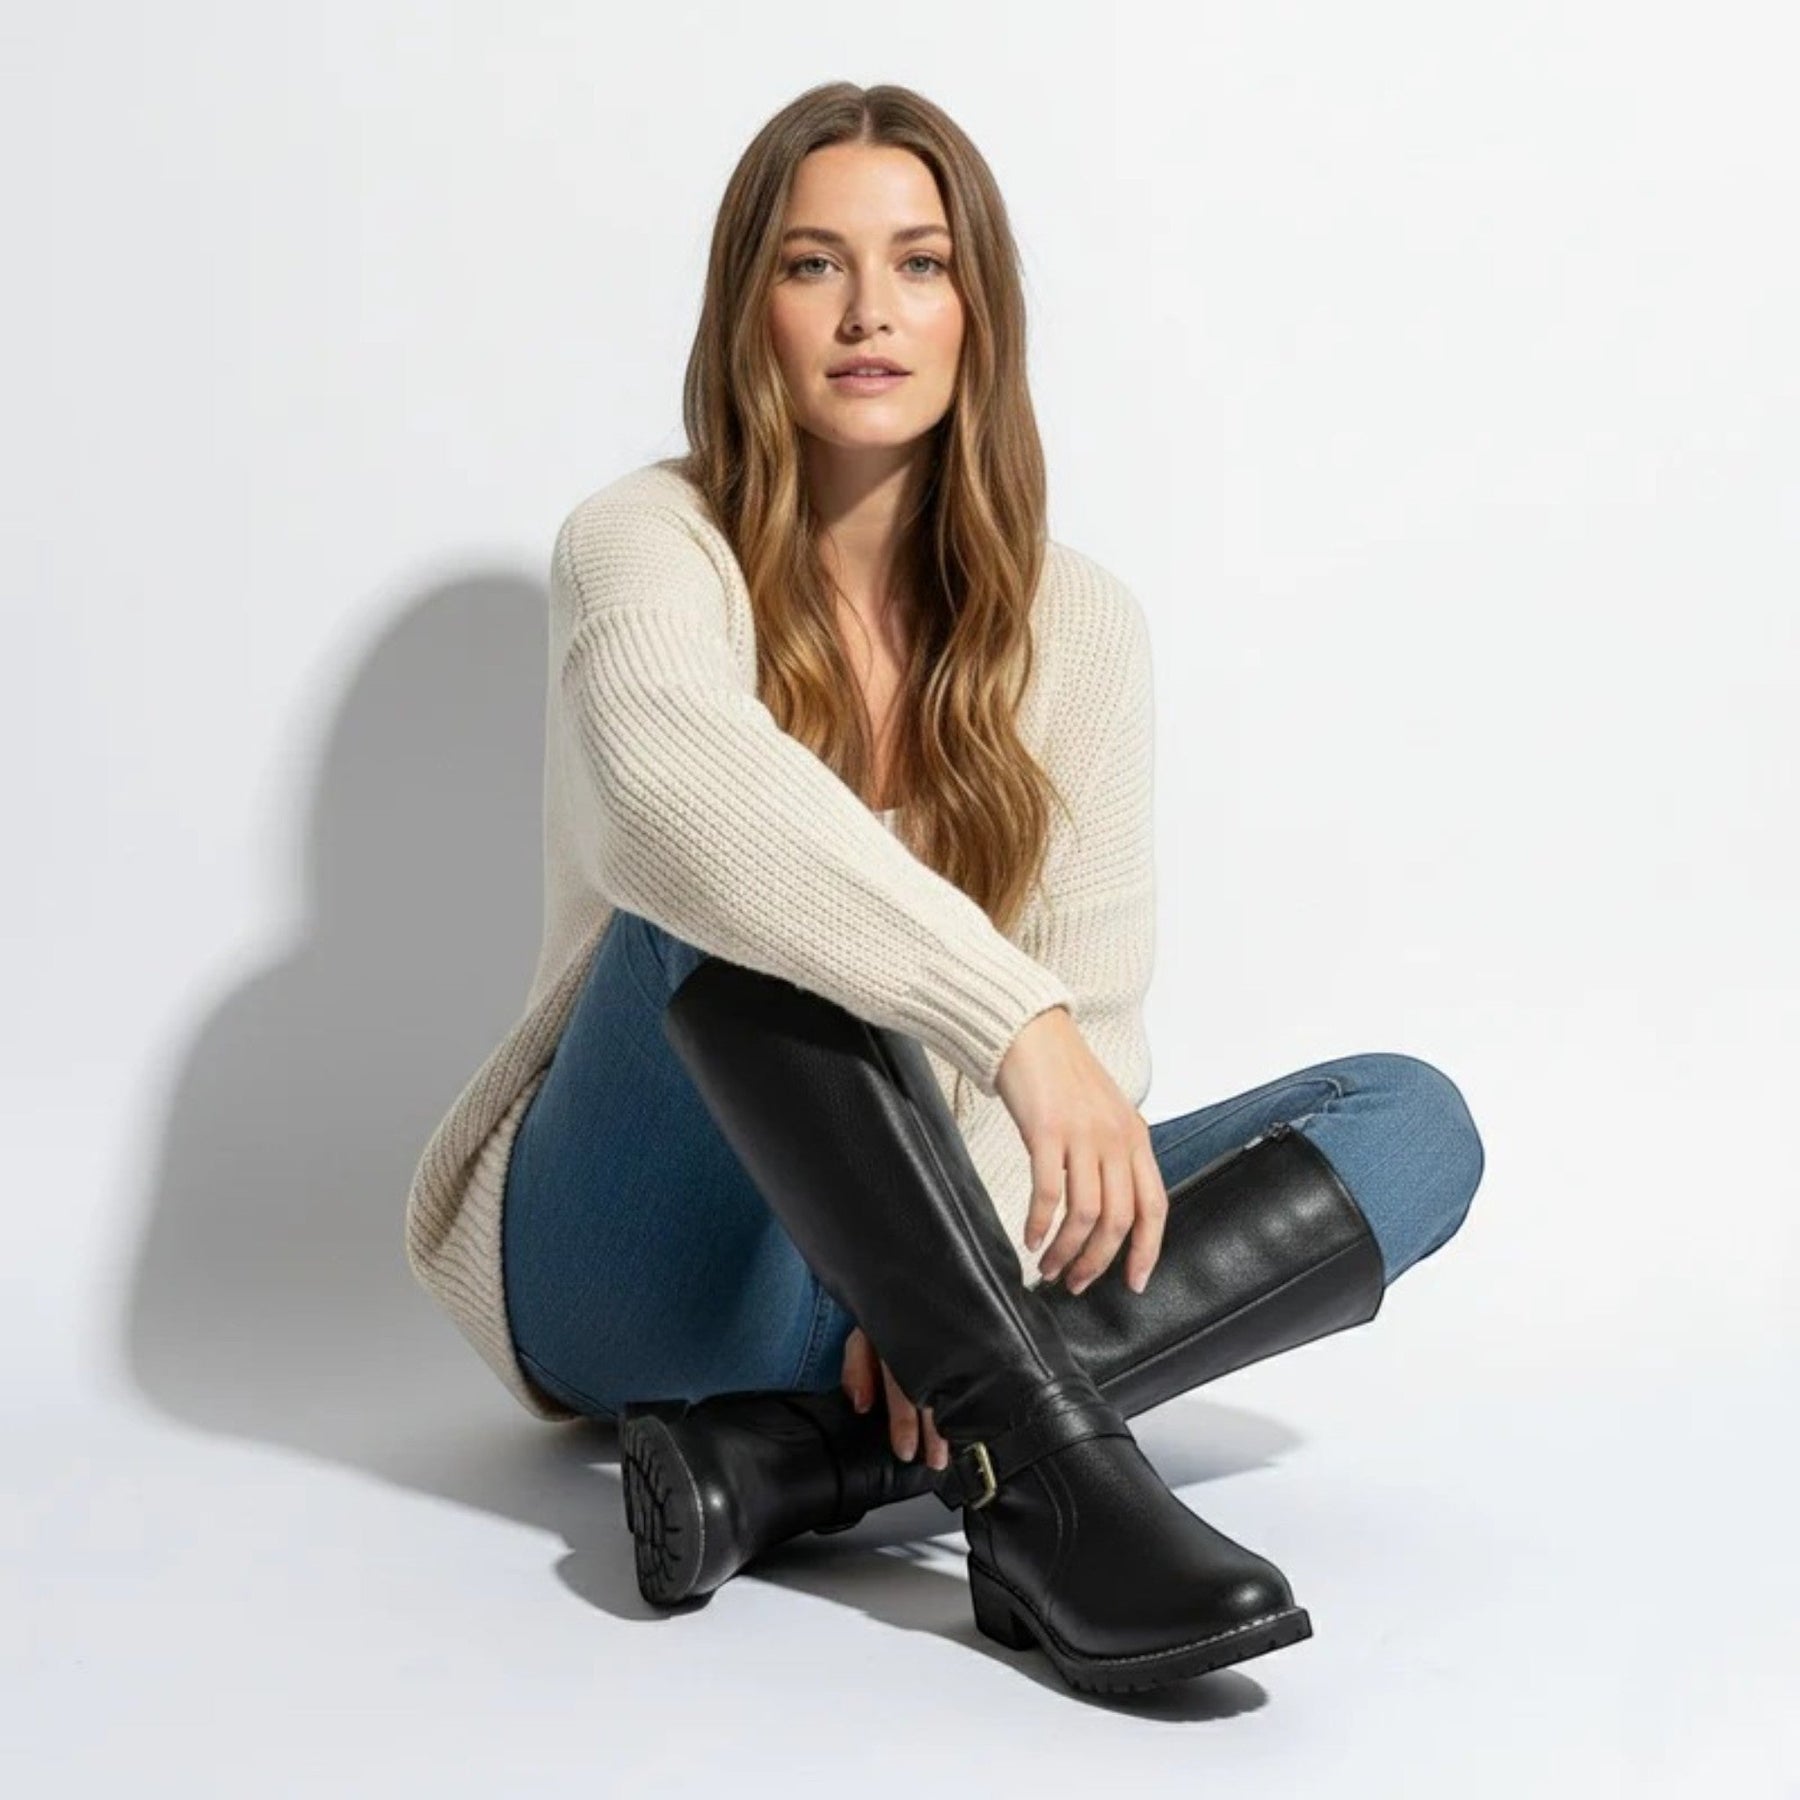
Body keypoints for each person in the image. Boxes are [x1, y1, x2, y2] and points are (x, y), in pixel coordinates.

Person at [403, 80, 1485, 1696]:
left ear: (978, 310)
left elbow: (1094, 1029)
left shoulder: (1079, 626)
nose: (869, 311)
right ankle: (1046, 1474)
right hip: (642, 1260)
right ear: (749, 309)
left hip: (902, 1289)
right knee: (725, 896)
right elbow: (674, 800)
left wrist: (955, 1280)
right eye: (813, 264)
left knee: (1407, 1124)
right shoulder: (645, 541)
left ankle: (792, 1469)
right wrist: (1008, 1022)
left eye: (919, 263)